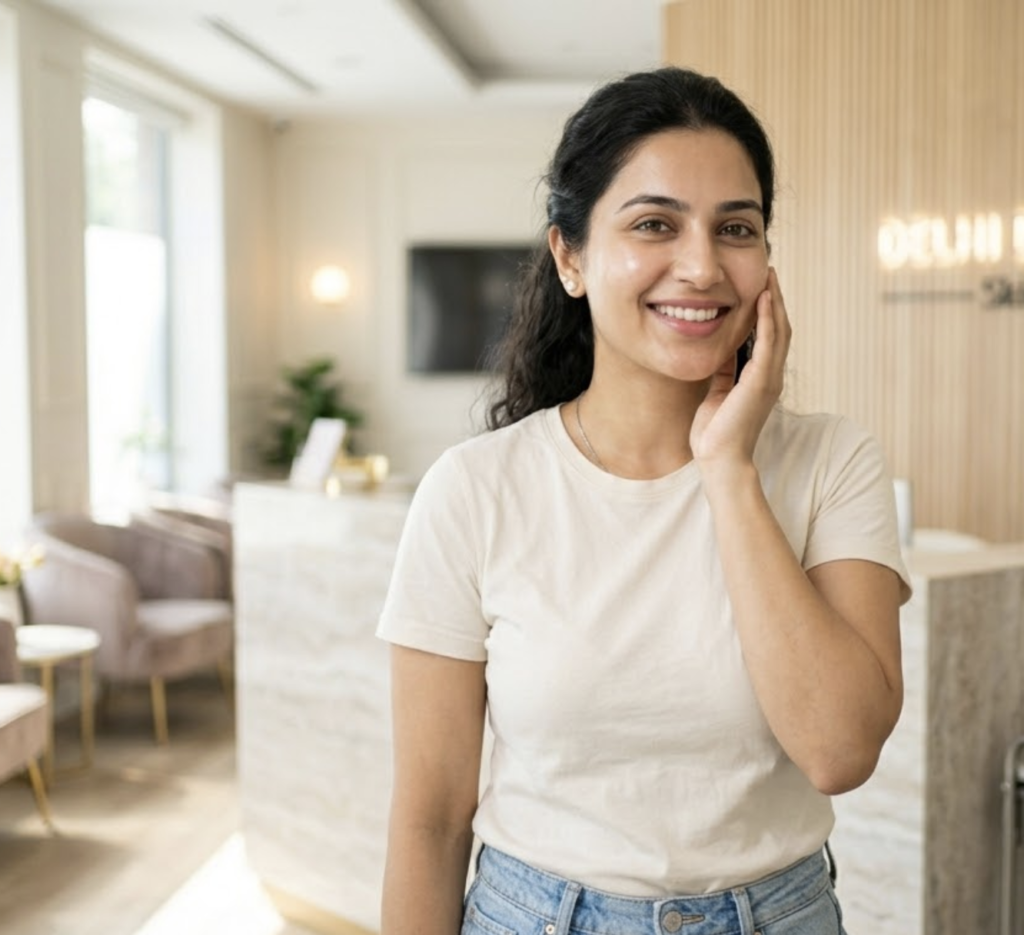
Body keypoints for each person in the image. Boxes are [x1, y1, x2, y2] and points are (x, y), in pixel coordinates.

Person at [376, 66, 911, 935]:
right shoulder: (474, 490)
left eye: (735, 227)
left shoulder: (830, 462)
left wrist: (728, 468)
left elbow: (839, 748)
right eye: (655, 224)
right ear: (571, 257)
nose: (701, 266)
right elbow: (430, 819)